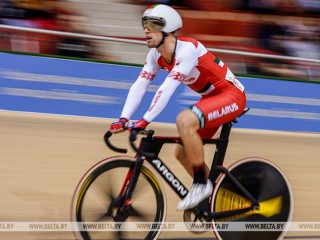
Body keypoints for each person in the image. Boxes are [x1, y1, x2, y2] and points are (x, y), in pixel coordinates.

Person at [109, 4, 246, 210]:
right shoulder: (155, 55)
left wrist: (145, 120)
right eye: (144, 24)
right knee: (182, 153)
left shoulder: (187, 49)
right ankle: (217, 198)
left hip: (231, 96)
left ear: (168, 29)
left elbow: (167, 87)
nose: (146, 29)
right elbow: (140, 85)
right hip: (211, 100)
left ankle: (201, 184)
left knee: (184, 119)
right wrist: (123, 118)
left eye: (152, 25)